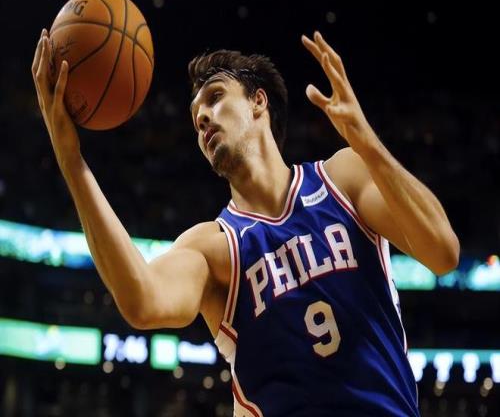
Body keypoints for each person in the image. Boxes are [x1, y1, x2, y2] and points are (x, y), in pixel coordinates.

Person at [32, 28, 459, 416]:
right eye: (195, 117)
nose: (202, 117)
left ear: (258, 102)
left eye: (215, 97)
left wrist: (365, 141)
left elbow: (443, 252)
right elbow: (142, 301)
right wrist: (72, 161)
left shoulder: (342, 179)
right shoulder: (214, 247)